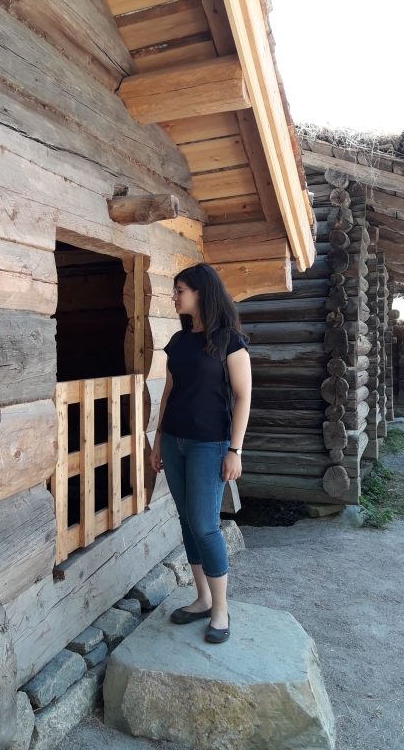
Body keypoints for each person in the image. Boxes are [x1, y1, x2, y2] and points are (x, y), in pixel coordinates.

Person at [150, 263, 251, 643]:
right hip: (174, 442)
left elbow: (243, 397)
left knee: (206, 525)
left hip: (210, 445)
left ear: (200, 292)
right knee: (187, 521)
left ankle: (221, 609)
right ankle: (203, 599)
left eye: (180, 290)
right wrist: (158, 440)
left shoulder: (230, 341)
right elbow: (169, 392)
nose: (174, 297)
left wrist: (235, 449)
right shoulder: (177, 342)